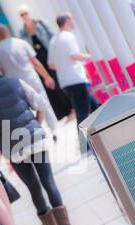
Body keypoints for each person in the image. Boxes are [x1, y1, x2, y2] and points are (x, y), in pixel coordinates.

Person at [0, 53, 80, 225]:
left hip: (13, 145)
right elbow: (40, 103)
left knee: (33, 186)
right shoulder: (16, 82)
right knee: (48, 181)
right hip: (35, 137)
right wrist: (37, 124)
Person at [0, 24, 59, 141]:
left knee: (25, 109)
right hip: (31, 78)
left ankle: (38, 132)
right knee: (43, 102)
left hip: (15, 85)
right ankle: (54, 130)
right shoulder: (21, 43)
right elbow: (36, 62)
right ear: (8, 31)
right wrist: (47, 76)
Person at [48, 12, 100, 152]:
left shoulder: (53, 40)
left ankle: (105, 131)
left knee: (96, 106)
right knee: (83, 113)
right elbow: (75, 56)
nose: (73, 22)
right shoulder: (68, 36)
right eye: (72, 19)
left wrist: (64, 64)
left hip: (65, 82)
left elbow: (52, 65)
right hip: (76, 79)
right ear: (66, 21)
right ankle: (85, 146)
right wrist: (92, 55)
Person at [18, 4, 75, 122]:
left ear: (29, 12)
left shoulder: (40, 23)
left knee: (58, 81)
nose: (24, 16)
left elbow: (52, 37)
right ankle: (63, 113)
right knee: (49, 86)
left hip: (49, 57)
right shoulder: (22, 32)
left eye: (25, 13)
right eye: (22, 15)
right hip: (38, 62)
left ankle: (72, 108)